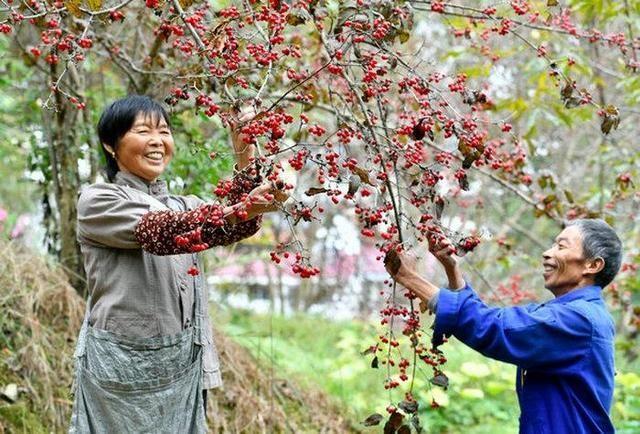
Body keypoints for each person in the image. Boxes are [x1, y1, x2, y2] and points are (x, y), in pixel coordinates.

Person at [69, 95, 286, 433]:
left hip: (181, 363)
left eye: (164, 132)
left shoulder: (182, 203)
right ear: (111, 145)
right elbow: (162, 231)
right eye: (143, 131)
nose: (157, 141)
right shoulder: (98, 200)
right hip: (121, 368)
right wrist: (241, 209)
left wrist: (244, 147)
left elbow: (234, 222)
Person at [385, 219, 622, 434]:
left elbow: (494, 328)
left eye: (561, 247)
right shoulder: (570, 314)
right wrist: (452, 269)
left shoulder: (578, 320)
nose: (547, 253)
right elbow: (494, 319)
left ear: (593, 265)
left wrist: (407, 276)